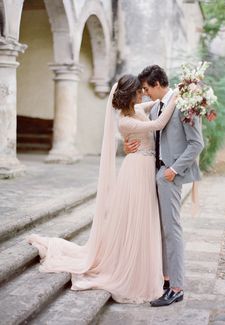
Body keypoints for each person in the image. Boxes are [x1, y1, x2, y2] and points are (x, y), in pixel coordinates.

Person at [26, 74, 177, 304]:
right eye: (138, 91)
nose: (142, 93)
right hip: (136, 170)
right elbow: (157, 124)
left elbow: (156, 103)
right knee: (138, 218)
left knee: (143, 219)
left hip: (145, 168)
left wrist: (173, 93)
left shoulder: (136, 108)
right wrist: (177, 97)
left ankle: (142, 263)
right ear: (129, 94)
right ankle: (132, 267)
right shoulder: (125, 120)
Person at [125, 65, 204, 306]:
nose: (145, 92)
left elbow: (196, 144)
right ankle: (167, 279)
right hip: (155, 175)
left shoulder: (185, 105)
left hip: (169, 175)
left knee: (172, 230)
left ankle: (177, 288)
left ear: (158, 83)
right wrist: (128, 146)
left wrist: (172, 170)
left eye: (147, 87)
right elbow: (145, 133)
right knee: (161, 230)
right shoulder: (156, 108)